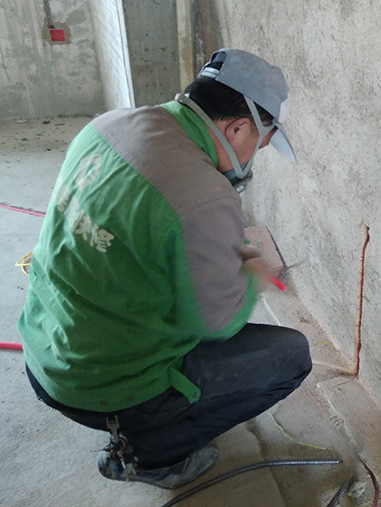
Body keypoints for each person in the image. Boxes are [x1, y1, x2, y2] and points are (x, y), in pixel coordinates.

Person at [17, 48, 312, 489]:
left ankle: (134, 421)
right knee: (291, 357)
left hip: (45, 347)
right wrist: (249, 272)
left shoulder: (108, 126)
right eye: (260, 143)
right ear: (237, 128)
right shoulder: (203, 195)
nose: (255, 154)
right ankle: (152, 455)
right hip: (98, 382)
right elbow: (219, 323)